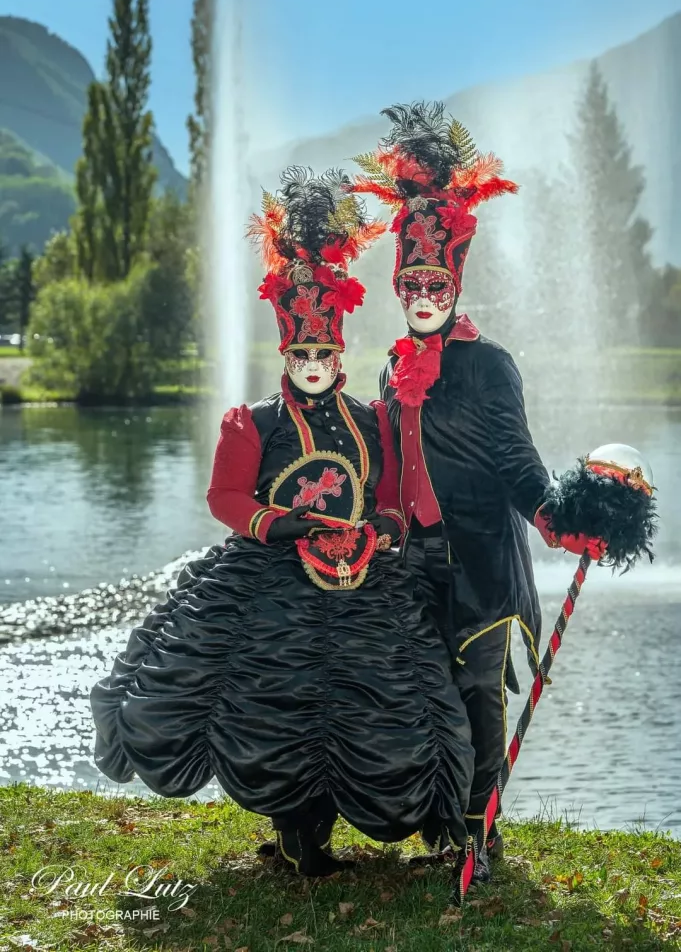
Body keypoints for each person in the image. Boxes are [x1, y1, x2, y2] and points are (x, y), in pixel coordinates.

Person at [90, 165, 475, 877]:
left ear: (338, 354)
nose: (311, 363)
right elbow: (225, 499)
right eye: (300, 354)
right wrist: (282, 525)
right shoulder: (251, 422)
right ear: (286, 353)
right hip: (269, 587)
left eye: (322, 353)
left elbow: (387, 492)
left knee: (381, 705)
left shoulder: (371, 419)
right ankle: (299, 839)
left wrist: (383, 529)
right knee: (279, 709)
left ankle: (373, 827)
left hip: (363, 586)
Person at [353, 103, 603, 881]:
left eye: (434, 280)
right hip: (409, 558)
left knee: (476, 696)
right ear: (397, 286)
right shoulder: (391, 369)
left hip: (480, 564)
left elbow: (517, 462)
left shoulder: (490, 365)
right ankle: (432, 824)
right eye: (410, 281)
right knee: (418, 693)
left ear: (454, 281)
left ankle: (477, 837)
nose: (422, 292)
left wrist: (555, 519)